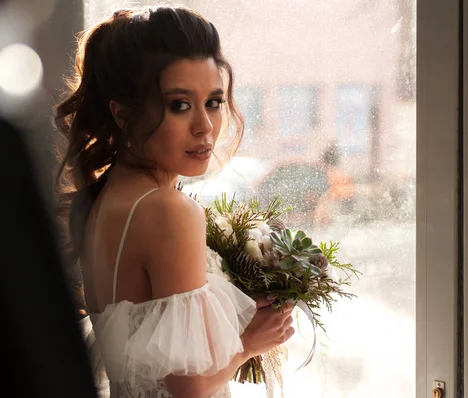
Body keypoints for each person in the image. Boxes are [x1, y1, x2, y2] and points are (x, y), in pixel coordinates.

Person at [54, 6, 295, 398]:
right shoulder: (167, 210)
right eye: (179, 105)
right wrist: (250, 342)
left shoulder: (107, 199)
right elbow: (188, 386)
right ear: (123, 113)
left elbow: (152, 356)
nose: (204, 126)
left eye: (213, 102)